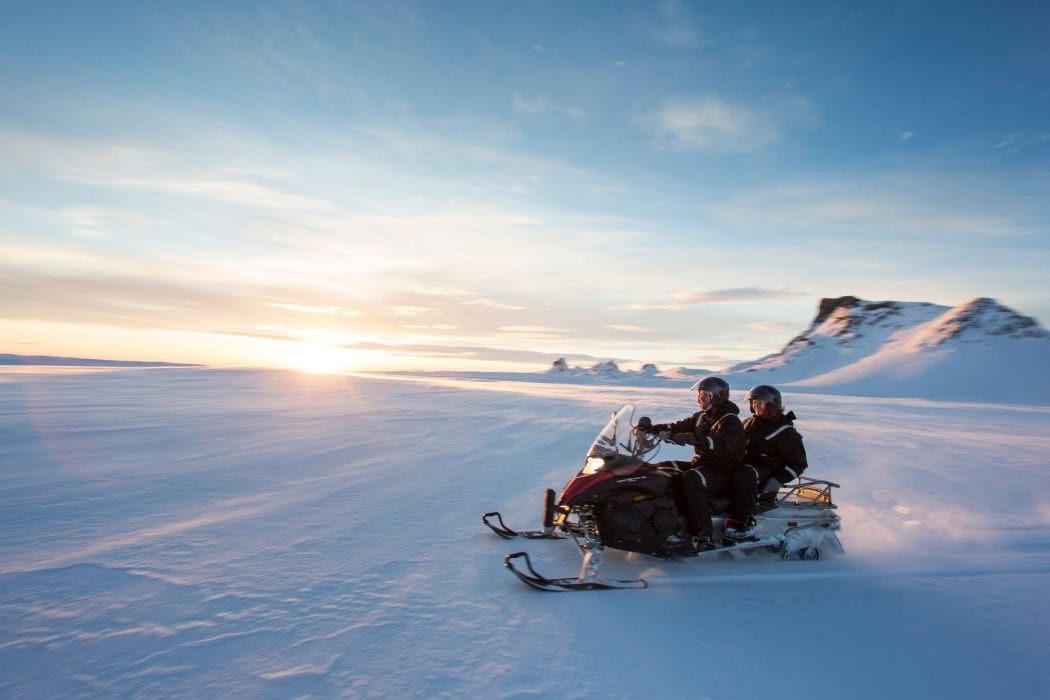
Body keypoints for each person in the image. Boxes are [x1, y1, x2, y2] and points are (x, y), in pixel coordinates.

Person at [637, 376, 746, 551]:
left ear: (717, 396)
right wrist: (651, 430)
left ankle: (704, 535)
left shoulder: (730, 420)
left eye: (705, 395)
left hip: (724, 470)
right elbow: (676, 427)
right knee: (664, 468)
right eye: (700, 395)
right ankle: (665, 520)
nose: (700, 399)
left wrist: (693, 438)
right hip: (704, 464)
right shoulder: (702, 417)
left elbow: (721, 445)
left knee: (692, 478)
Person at [727, 384, 808, 539]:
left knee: (745, 474)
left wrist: (777, 480)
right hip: (744, 466)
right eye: (753, 402)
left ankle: (744, 523)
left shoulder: (785, 431)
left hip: (767, 471)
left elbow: (799, 463)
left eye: (760, 402)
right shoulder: (748, 423)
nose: (756, 405)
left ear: (772, 404)